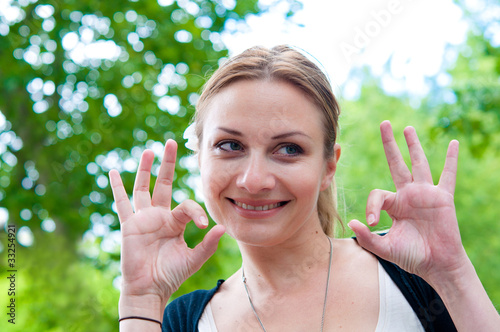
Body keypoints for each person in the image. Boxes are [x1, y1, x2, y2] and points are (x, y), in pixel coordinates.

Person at [109, 45, 500, 331]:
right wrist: (141, 302)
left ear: (329, 165)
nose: (254, 180)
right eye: (230, 146)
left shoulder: (413, 275)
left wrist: (451, 274)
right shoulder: (181, 322)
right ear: (200, 159)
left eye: (289, 149)